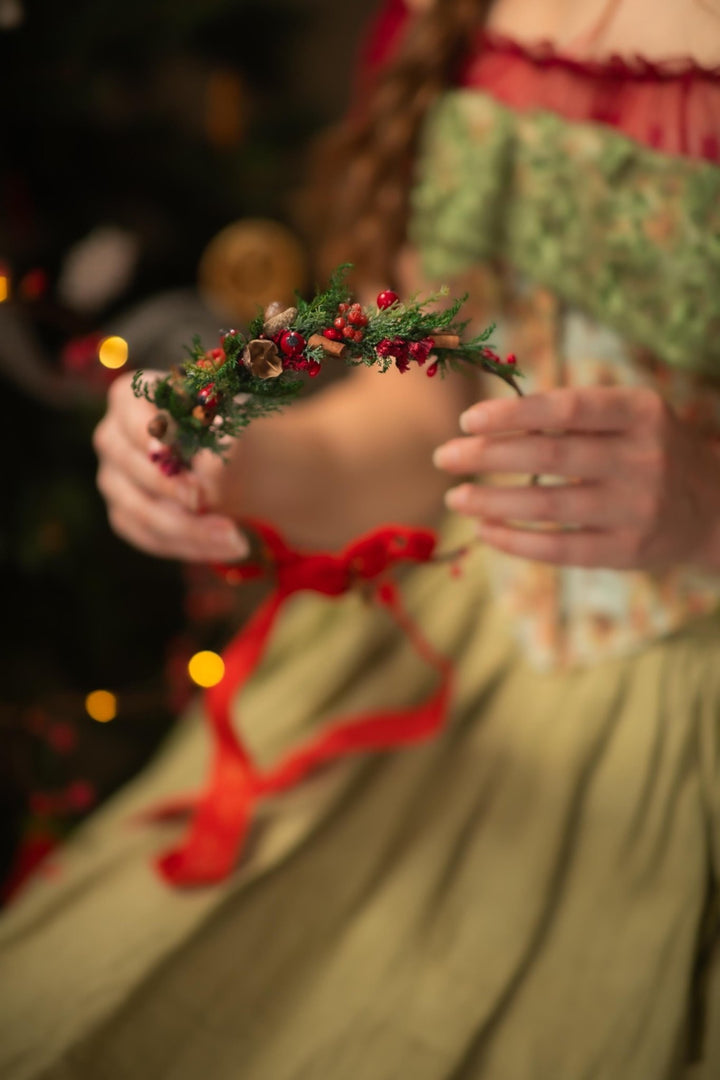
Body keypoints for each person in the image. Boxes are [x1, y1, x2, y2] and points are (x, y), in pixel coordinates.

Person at [2, 0, 720, 1076]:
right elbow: (429, 411)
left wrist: (708, 508)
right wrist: (231, 462)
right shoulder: (455, 13)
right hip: (455, 646)